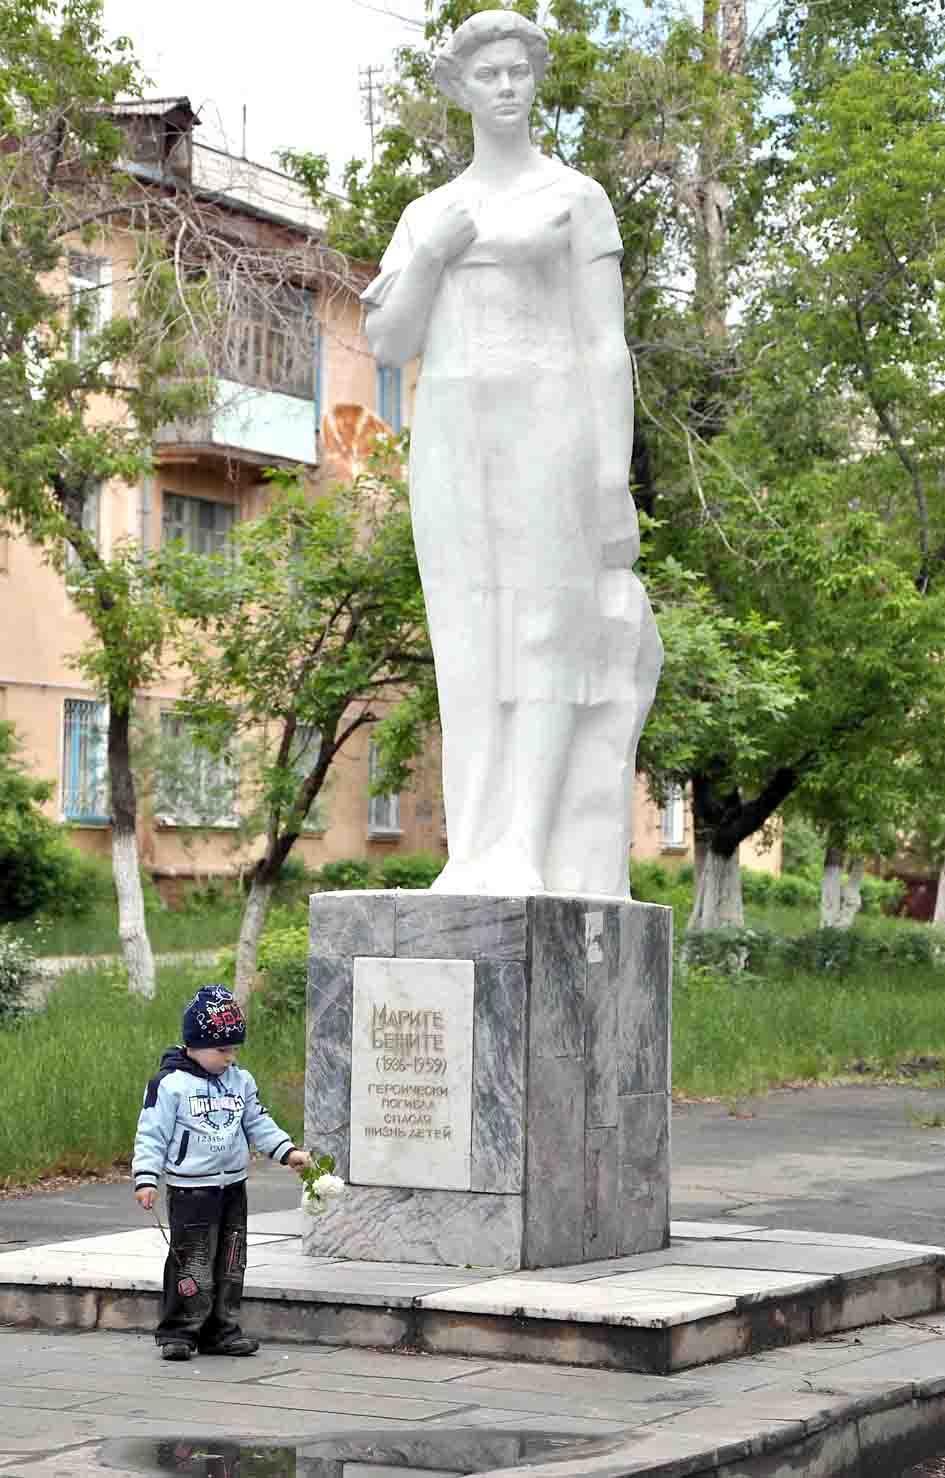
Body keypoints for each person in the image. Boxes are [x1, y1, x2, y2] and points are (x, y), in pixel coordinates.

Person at [362, 9, 662, 899]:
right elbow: (388, 340)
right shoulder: (431, 212)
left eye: (517, 72)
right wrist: (433, 258)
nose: (503, 87)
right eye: (485, 73)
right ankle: (473, 850)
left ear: (535, 83)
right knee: (466, 645)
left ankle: (527, 846)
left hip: (552, 434)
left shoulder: (574, 197)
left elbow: (607, 347)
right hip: (454, 437)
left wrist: (613, 481)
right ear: (458, 88)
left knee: (543, 638)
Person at [132, 984, 311, 1361]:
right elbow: (151, 1133)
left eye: (234, 1050)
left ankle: (222, 1331)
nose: (230, 1058)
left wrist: (287, 1151)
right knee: (192, 1262)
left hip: (232, 1187)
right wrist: (146, 1178)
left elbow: (258, 1121)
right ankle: (179, 1332)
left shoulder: (240, 1081)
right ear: (194, 1044)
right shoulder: (169, 1085)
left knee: (231, 1260)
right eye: (222, 1050)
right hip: (191, 1191)